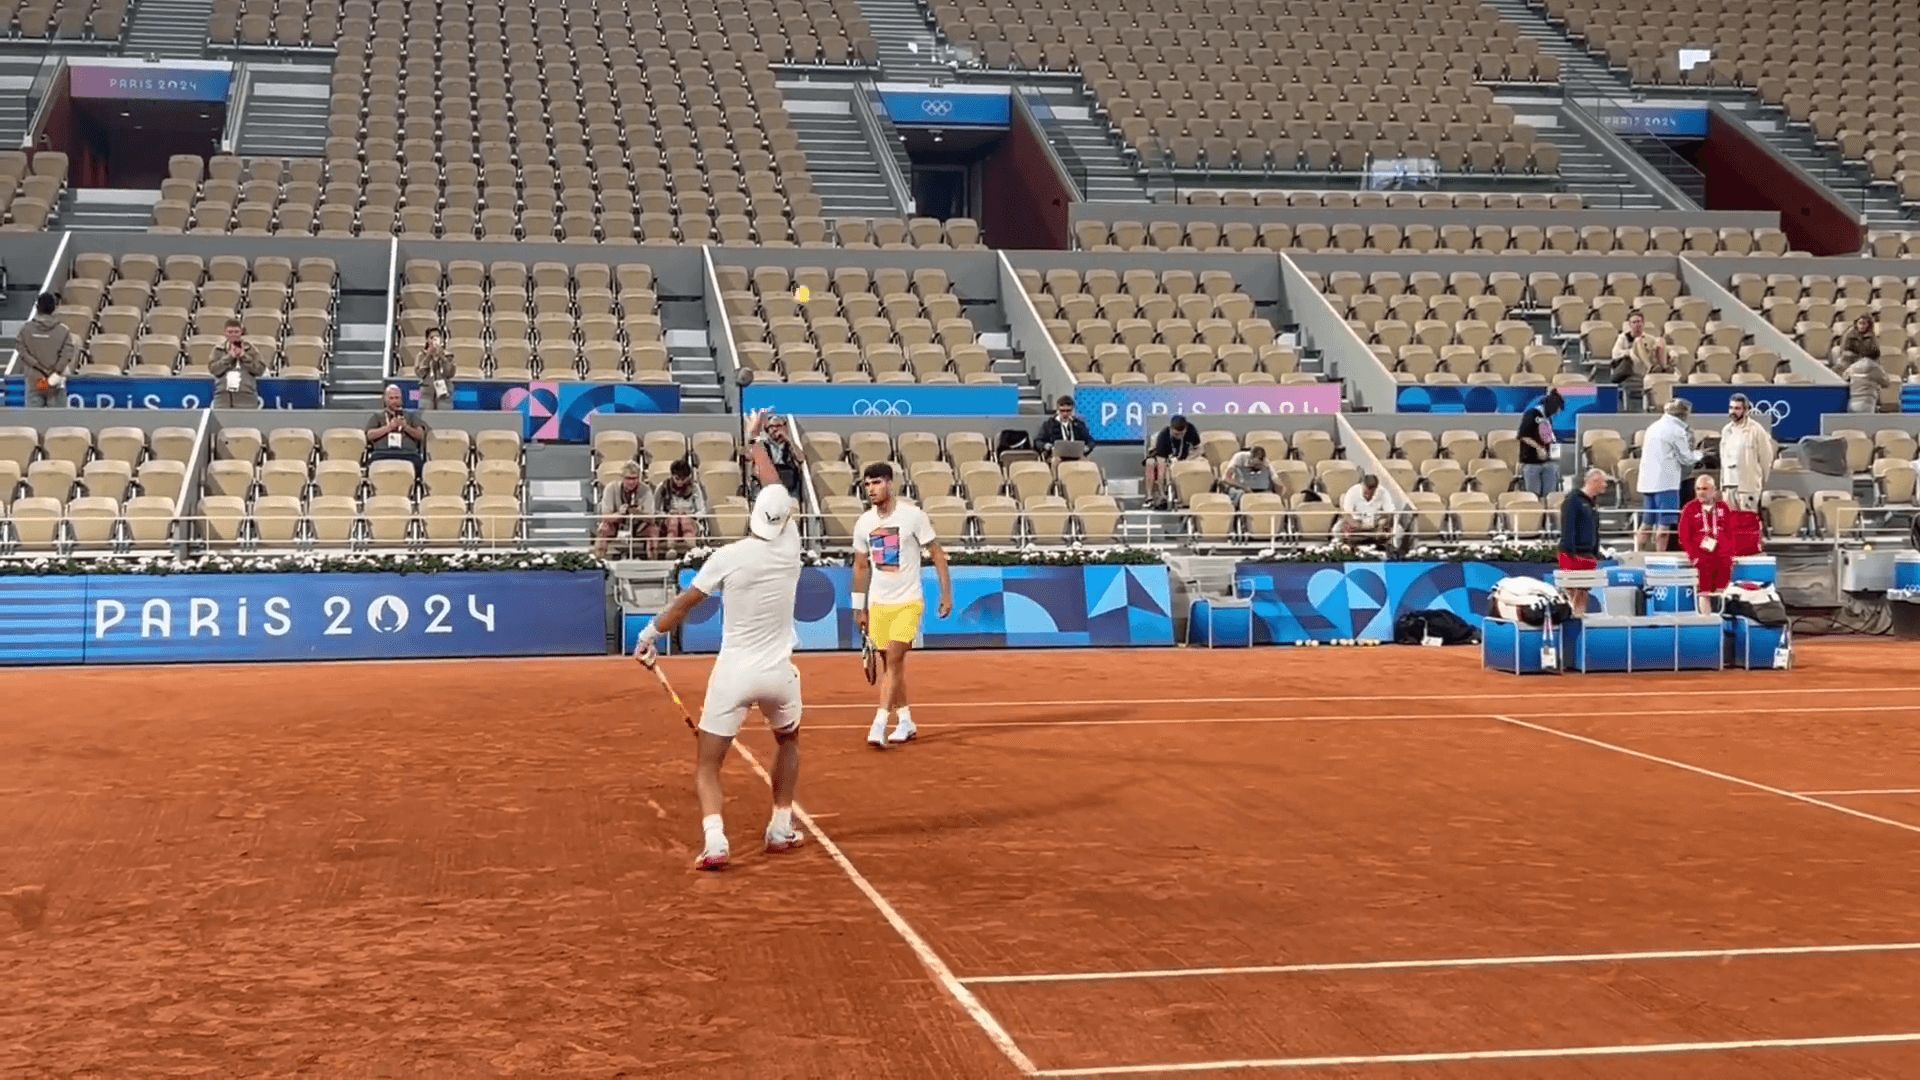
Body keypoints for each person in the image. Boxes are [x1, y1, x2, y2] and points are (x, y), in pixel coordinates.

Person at [634, 409, 805, 871]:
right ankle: (780, 826)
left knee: (708, 764)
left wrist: (649, 634)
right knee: (788, 742)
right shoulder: (792, 547)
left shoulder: (729, 556)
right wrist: (756, 444)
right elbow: (774, 487)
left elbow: (685, 604)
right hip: (779, 676)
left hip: (734, 675)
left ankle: (716, 842)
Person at [852, 461, 952, 749]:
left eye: (877, 483)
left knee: (894, 659)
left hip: (909, 601)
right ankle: (906, 720)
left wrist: (946, 594)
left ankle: (879, 722)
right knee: (890, 664)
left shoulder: (913, 516)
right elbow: (860, 567)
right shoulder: (864, 523)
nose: (871, 489)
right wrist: (859, 608)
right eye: (867, 484)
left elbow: (937, 554)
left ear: (889, 484)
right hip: (878, 603)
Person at [1634, 399, 1702, 553]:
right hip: (1666, 483)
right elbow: (1686, 458)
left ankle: (1637, 554)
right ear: (1684, 413)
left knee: (1646, 524)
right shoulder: (1676, 431)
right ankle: (1660, 558)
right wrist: (1700, 454)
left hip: (1648, 483)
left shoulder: (1653, 427)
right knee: (1664, 527)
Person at [1678, 473, 1734, 610]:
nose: (1701, 492)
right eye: (1698, 489)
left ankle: (1723, 624)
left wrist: (1731, 553)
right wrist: (1694, 556)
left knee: (1722, 593)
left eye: (1705, 489)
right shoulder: (1690, 509)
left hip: (1722, 558)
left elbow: (1731, 532)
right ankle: (1708, 623)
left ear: (1714, 490)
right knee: (1704, 593)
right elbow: (1684, 536)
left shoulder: (1723, 508)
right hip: (1702, 558)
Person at [1559, 468, 1609, 616]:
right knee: (1573, 591)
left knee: (1584, 591)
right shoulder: (1573, 500)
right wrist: (1571, 553)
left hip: (1588, 554)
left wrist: (1595, 552)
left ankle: (1579, 617)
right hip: (1574, 554)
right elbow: (1568, 526)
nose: (1605, 485)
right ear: (1593, 481)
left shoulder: (1592, 503)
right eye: (1603, 481)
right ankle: (1571, 618)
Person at [17, 293, 75, 408]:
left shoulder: (25, 329)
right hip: (55, 381)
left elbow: (22, 351)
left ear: (37, 307)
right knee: (57, 422)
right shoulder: (63, 331)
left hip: (35, 381)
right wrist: (55, 372)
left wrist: (38, 367)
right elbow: (67, 355)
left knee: (34, 421)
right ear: (54, 307)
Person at [1719, 393, 1776, 511]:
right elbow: (1723, 459)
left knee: (1746, 523)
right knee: (1730, 523)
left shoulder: (1756, 430)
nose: (1733, 411)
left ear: (1746, 410)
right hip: (1729, 485)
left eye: (1737, 408)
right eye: (1731, 408)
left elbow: (1766, 458)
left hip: (1748, 486)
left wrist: (1759, 481)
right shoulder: (1726, 430)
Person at [1609, 312, 1672, 412]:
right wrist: (1631, 351)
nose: (1637, 324)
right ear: (1630, 325)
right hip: (1634, 366)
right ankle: (1650, 367)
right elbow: (1615, 354)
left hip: (1647, 365)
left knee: (1660, 340)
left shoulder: (1649, 338)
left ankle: (1663, 368)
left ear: (1643, 323)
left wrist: (1671, 354)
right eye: (1634, 322)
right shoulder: (1623, 338)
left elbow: (1661, 349)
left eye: (1639, 322)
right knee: (1638, 341)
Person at [364, 384, 429, 477]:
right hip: (383, 453)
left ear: (401, 399)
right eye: (391, 398)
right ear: (385, 400)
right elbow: (369, 435)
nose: (394, 401)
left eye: (397, 398)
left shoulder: (411, 416)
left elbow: (420, 435)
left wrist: (406, 427)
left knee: (418, 463)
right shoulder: (377, 417)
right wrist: (388, 428)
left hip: (408, 453)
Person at [595, 462, 659, 558]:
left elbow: (652, 519)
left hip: (639, 526)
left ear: (639, 478)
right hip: (616, 525)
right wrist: (620, 514)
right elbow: (605, 517)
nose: (631, 482)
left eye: (634, 478)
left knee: (653, 530)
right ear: (622, 477)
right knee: (603, 529)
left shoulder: (646, 490)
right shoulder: (611, 488)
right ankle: (599, 562)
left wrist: (638, 513)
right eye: (628, 478)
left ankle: (654, 563)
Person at [1144, 415, 1202, 510]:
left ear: (1186, 429)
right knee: (1150, 463)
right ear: (1170, 429)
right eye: (1176, 434)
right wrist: (1163, 494)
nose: (1179, 437)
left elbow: (1199, 449)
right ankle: (1150, 497)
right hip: (1164, 457)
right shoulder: (1163, 437)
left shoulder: (1191, 429)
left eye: (1182, 434)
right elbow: (1161, 467)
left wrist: (1189, 460)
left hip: (1184, 458)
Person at [209, 319, 268, 408]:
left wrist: (244, 357)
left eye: (236, 332)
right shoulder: (218, 350)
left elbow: (259, 370)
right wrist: (229, 357)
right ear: (225, 333)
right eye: (230, 332)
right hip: (223, 397)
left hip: (246, 397)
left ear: (241, 332)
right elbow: (214, 370)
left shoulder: (251, 349)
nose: (233, 335)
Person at [1517, 389, 1564, 497]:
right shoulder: (1531, 414)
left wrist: (1554, 455)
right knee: (1533, 496)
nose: (1558, 412)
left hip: (1548, 463)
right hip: (1531, 462)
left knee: (1549, 495)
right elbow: (1523, 436)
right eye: (1557, 409)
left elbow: (1550, 439)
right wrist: (1538, 448)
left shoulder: (1548, 419)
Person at [657, 459, 708, 553]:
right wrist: (668, 514)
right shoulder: (662, 487)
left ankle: (692, 550)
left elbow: (702, 510)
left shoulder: (694, 487)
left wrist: (691, 515)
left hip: (690, 521)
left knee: (685, 519)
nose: (680, 482)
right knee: (674, 519)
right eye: (677, 478)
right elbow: (655, 511)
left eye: (683, 479)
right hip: (669, 521)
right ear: (672, 475)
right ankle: (671, 549)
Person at [1337, 473, 1393, 544]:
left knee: (1397, 531)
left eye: (1371, 493)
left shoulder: (1383, 493)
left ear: (1376, 488)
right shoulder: (1352, 492)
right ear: (1362, 485)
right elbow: (1346, 513)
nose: (1368, 496)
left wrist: (1382, 524)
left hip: (1376, 524)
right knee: (1336, 529)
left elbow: (1389, 513)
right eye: (1365, 493)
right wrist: (1355, 524)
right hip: (1357, 524)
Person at [416, 327, 456, 411]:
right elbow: (420, 374)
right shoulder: (421, 355)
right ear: (427, 340)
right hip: (426, 393)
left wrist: (442, 357)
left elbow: (450, 373)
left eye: (437, 337)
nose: (434, 340)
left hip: (444, 392)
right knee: (426, 416)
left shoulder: (449, 356)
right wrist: (428, 356)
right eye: (431, 338)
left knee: (444, 415)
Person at [1844, 348, 1893, 415]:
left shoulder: (1852, 366)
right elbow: (1886, 383)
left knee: (1853, 425)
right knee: (1866, 424)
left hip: (1852, 402)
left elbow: (1844, 377)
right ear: (1877, 357)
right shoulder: (1875, 367)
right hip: (1867, 403)